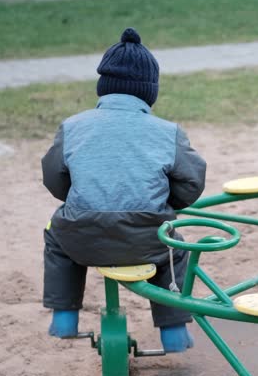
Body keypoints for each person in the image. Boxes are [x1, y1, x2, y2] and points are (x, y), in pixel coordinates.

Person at [41, 27, 207, 350]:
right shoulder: (167, 132)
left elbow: (53, 177)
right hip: (146, 240)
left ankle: (64, 318)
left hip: (81, 239)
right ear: (149, 92)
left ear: (103, 88)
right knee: (174, 250)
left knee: (56, 237)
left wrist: (80, 195)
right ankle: (174, 331)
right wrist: (165, 200)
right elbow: (192, 182)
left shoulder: (72, 127)